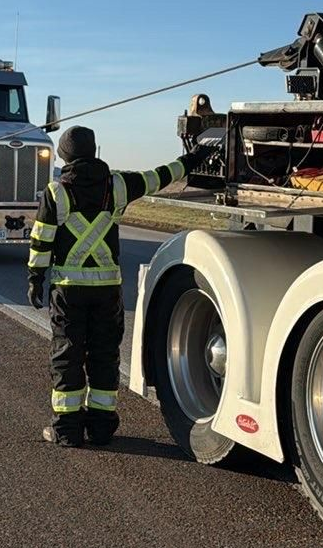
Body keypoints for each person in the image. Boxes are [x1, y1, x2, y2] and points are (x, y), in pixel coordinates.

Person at [27, 125, 214, 446]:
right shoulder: (118, 185)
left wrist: (35, 278)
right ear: (94, 150)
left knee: (67, 356)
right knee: (104, 357)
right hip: (107, 292)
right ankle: (100, 429)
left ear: (64, 155)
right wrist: (195, 156)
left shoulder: (56, 191)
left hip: (67, 292)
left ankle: (67, 430)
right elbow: (161, 176)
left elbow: (42, 241)